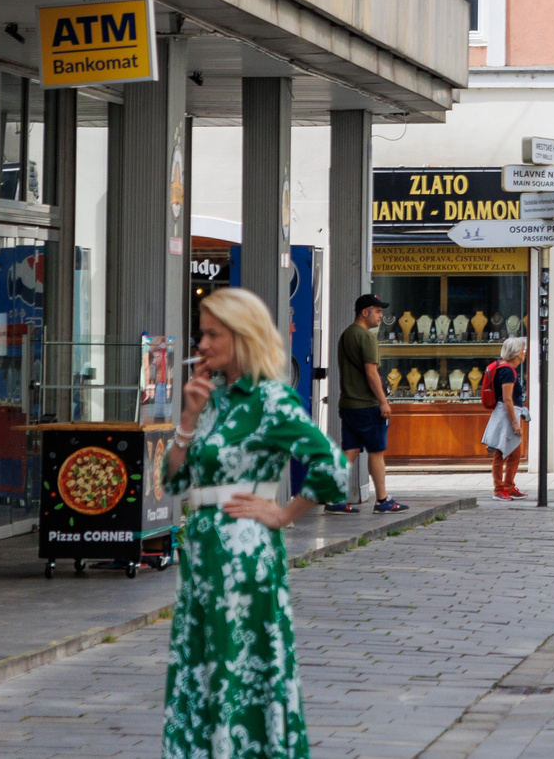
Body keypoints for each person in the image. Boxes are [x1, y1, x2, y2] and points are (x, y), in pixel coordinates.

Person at [163, 287, 350, 759]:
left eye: (211, 333)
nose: (200, 345)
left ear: (241, 336)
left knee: (238, 666)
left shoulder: (270, 399)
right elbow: (175, 480)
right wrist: (188, 417)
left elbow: (332, 466)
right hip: (203, 556)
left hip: (242, 559)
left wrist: (283, 513)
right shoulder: (214, 399)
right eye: (199, 333)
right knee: (204, 667)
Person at [325, 293, 403, 515]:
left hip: (348, 403)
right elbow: (371, 373)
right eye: (378, 311)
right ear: (365, 312)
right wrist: (383, 401)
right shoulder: (367, 337)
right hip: (367, 405)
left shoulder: (347, 335)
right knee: (376, 451)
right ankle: (383, 500)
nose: (381, 316)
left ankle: (333, 497)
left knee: (350, 450)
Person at [481, 336, 529, 500]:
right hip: (507, 415)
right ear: (516, 353)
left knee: (515, 453)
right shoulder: (508, 371)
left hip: (508, 412)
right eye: (523, 350)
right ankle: (499, 489)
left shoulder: (505, 368)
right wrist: (515, 423)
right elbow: (507, 399)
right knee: (501, 453)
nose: (525, 352)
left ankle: (508, 486)